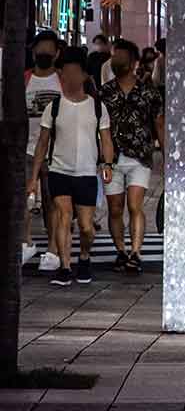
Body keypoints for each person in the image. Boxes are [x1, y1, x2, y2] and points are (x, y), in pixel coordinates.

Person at [28, 46, 114, 286]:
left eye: (76, 72)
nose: (71, 77)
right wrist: (34, 176)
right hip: (59, 171)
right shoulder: (53, 108)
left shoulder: (97, 107)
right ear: (61, 74)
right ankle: (65, 267)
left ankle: (84, 256)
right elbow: (42, 143)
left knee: (87, 227)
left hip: (87, 172)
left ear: (85, 75)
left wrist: (107, 164)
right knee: (63, 216)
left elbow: (106, 139)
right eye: (66, 72)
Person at [101, 39, 163, 273]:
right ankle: (120, 250)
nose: (117, 62)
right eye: (115, 57)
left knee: (135, 205)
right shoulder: (105, 92)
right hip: (110, 157)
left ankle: (136, 252)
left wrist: (165, 154)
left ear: (134, 62)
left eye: (122, 58)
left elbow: (159, 123)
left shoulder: (148, 93)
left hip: (140, 157)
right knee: (115, 208)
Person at [22, 31, 64, 270]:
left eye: (49, 49)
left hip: (56, 152)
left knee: (52, 202)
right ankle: (25, 242)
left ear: (57, 53)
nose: (44, 53)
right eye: (40, 49)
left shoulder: (62, 80)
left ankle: (52, 249)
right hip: (25, 149)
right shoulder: (24, 79)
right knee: (22, 200)